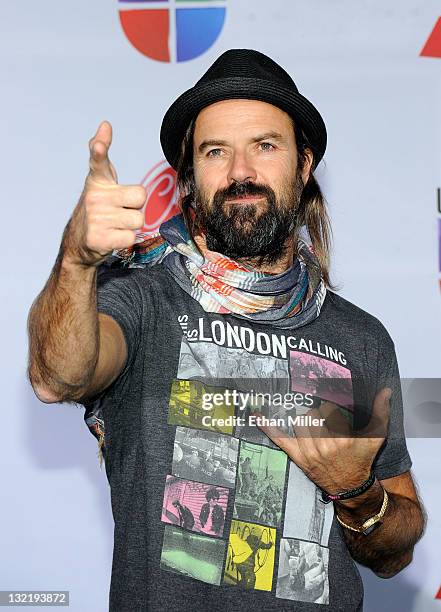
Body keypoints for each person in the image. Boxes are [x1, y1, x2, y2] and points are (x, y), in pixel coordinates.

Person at [27, 48, 425, 611]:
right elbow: (57, 377)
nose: (241, 172)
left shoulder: (359, 337)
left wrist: (356, 494)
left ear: (303, 164)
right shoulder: (142, 296)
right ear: (189, 177)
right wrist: (76, 261)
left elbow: (396, 551)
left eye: (265, 145)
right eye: (216, 152)